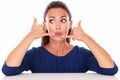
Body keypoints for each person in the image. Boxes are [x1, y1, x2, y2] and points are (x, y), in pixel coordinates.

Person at [2, 1, 118, 76]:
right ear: (45, 25)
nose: (57, 26)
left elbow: (110, 69)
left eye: (63, 20)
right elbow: (8, 69)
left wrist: (86, 38)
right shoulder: (35, 55)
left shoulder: (81, 55)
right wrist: (29, 37)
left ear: (70, 23)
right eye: (52, 21)